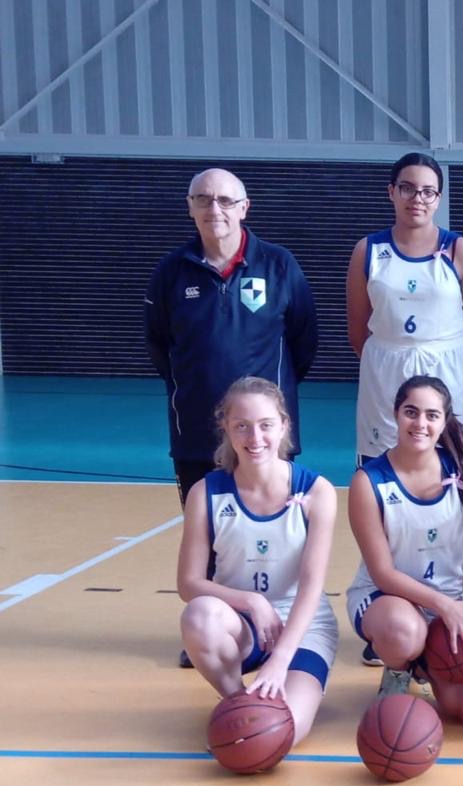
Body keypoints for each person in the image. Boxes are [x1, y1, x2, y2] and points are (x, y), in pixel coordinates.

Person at [146, 167, 319, 667]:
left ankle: (283, 629)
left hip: (268, 441)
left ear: (245, 207)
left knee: (276, 537)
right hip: (196, 435)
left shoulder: (279, 266)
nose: (214, 209)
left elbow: (304, 341)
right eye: (203, 199)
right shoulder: (172, 272)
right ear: (190, 206)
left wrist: (264, 408)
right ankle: (215, 634)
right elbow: (160, 346)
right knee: (211, 543)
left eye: (225, 200)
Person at [176, 377, 338, 751]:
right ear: (226, 429)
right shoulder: (206, 493)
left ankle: (275, 699)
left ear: (283, 425)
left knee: (281, 734)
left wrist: (281, 660)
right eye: (242, 426)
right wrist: (252, 601)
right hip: (244, 624)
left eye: (266, 425)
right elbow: (188, 584)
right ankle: (237, 702)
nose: (255, 437)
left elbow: (312, 588)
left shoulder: (316, 491)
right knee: (199, 616)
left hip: (303, 627)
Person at [346, 375, 463, 726]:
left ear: (445, 421)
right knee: (405, 631)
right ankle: (399, 669)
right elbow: (383, 574)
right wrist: (446, 607)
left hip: (447, 603)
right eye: (411, 412)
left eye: (432, 415)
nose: (420, 423)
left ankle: (426, 662)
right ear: (395, 414)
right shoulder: (368, 481)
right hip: (383, 599)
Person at [346, 152, 463, 467]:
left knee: (455, 466)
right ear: (391, 192)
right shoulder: (368, 251)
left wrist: (454, 365)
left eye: (428, 191)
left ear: (438, 198)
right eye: (407, 188)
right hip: (387, 369)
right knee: (383, 463)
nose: (417, 198)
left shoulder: (459, 250)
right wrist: (388, 358)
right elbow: (357, 331)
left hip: (448, 368)